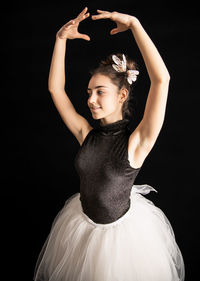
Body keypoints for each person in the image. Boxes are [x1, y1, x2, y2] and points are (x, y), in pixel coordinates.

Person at [33, 7, 185, 281]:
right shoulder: (86, 134)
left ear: (122, 94)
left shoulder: (137, 143)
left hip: (121, 241)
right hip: (82, 229)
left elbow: (162, 80)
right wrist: (60, 39)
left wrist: (136, 25)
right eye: (89, 92)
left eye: (100, 92)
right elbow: (56, 89)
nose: (91, 100)